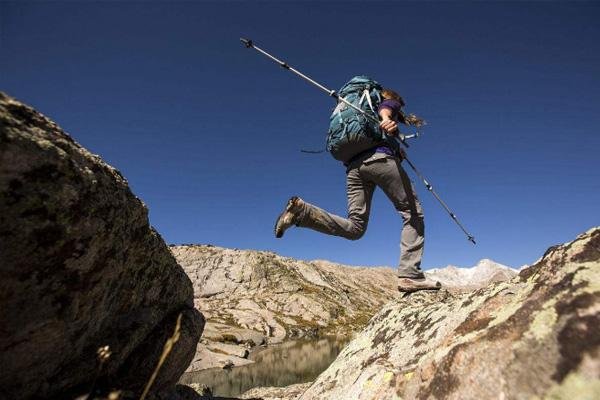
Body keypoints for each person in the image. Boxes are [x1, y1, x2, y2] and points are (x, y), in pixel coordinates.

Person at [274, 88, 441, 293]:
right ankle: (410, 275)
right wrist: (388, 118)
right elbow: (387, 109)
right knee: (412, 214)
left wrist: (396, 149)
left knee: (355, 228)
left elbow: (381, 123)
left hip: (354, 168)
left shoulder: (356, 110)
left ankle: (302, 212)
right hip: (379, 160)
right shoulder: (387, 101)